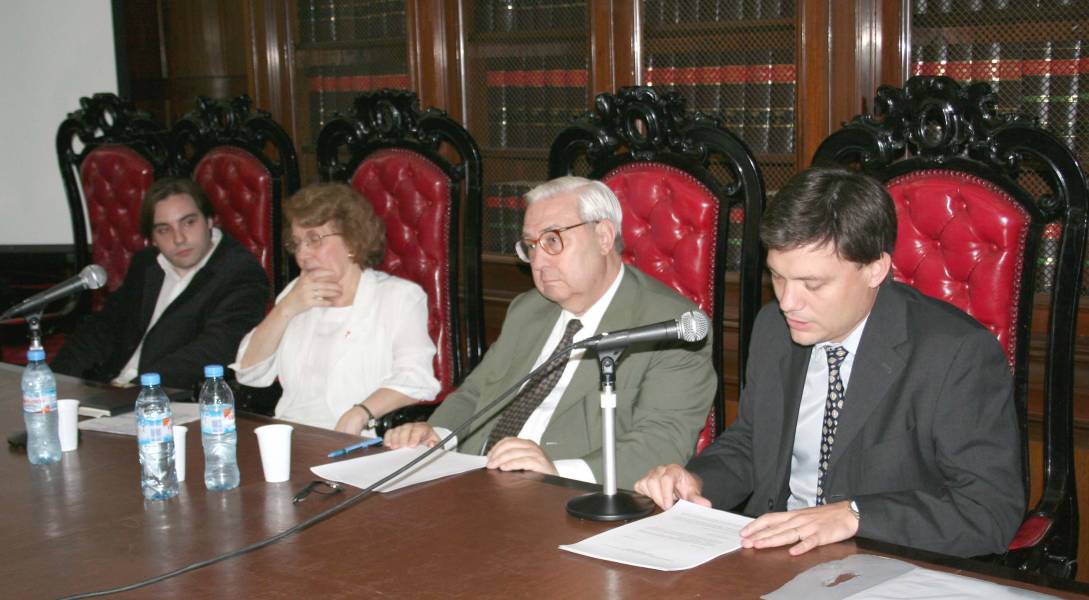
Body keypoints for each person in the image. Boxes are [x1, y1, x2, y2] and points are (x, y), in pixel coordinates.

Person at [635, 167, 1024, 558]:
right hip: (771, 556)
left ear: (875, 269)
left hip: (885, 563)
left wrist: (855, 516)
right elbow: (753, 444)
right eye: (778, 277)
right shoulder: (774, 328)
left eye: (813, 284)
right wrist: (697, 481)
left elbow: (988, 512)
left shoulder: (955, 354)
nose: (788, 302)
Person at [385, 176, 716, 489]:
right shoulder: (527, 310)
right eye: (530, 245)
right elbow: (476, 393)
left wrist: (558, 473)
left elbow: (662, 441)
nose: (538, 261)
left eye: (552, 240)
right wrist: (434, 431)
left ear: (603, 237)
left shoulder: (670, 325)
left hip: (570, 500)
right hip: (472, 482)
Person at [232, 183, 439, 433]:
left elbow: (416, 379)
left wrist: (360, 413)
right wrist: (285, 309)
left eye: (314, 240)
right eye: (297, 243)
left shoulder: (398, 297)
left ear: (352, 241)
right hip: (291, 438)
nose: (302, 255)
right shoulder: (295, 294)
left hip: (358, 441)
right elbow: (249, 373)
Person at [52, 178, 270, 391]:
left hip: (168, 400)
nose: (179, 238)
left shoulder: (240, 273)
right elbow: (102, 328)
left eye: (189, 222)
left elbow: (214, 350)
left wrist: (141, 392)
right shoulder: (147, 264)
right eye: (164, 229)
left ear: (210, 220)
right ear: (153, 239)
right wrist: (54, 381)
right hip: (110, 389)